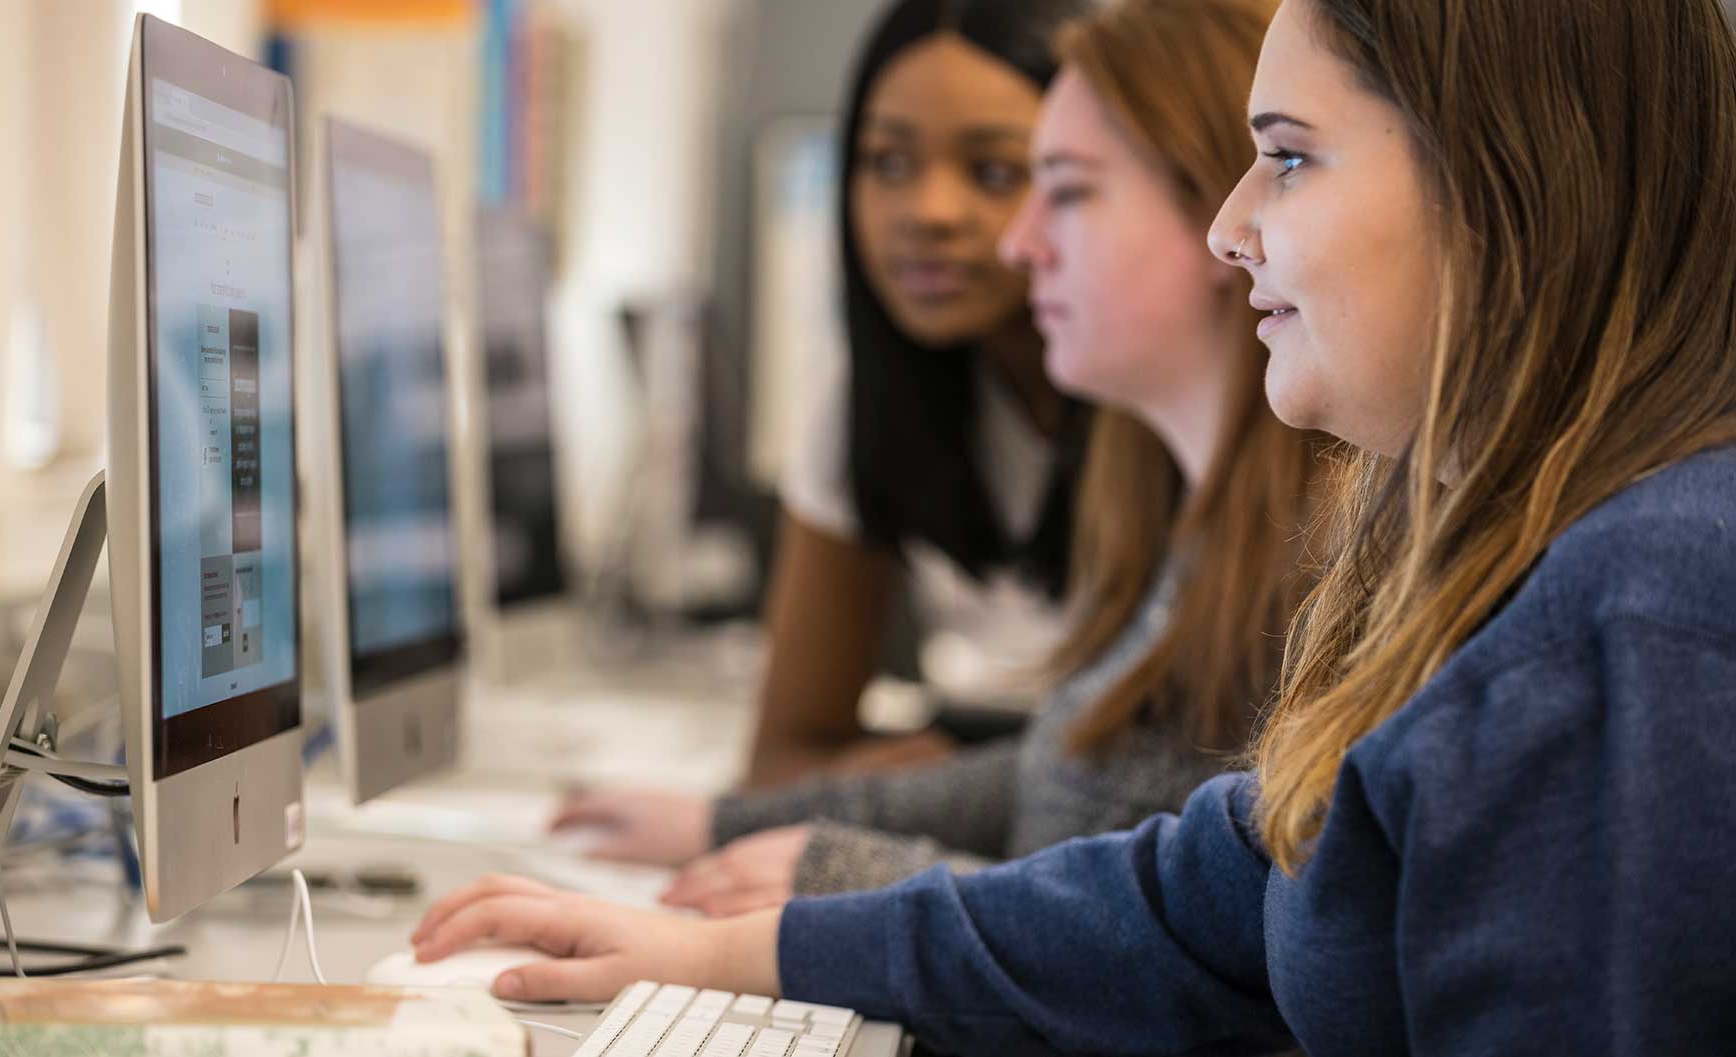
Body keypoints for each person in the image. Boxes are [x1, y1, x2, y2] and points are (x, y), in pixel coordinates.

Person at [409, 0, 1736, 1052]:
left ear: (1502, 178)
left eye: (1284, 158)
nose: (1232, 229)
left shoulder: (1636, 613)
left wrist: (787, 886)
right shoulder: (1477, 554)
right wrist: (743, 948)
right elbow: (1197, 898)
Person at [551, 0, 1321, 925]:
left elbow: (1179, 921)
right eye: (885, 163)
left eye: (1053, 184)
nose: (1009, 236)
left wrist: (856, 878)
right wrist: (733, 824)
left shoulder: (1314, 537)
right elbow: (1077, 783)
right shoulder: (1186, 499)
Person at [735, 0, 1094, 790]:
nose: (926, 213)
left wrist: (939, 794)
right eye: (887, 163)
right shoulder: (871, 399)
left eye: (995, 171)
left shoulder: (1170, 399)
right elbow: (779, 759)